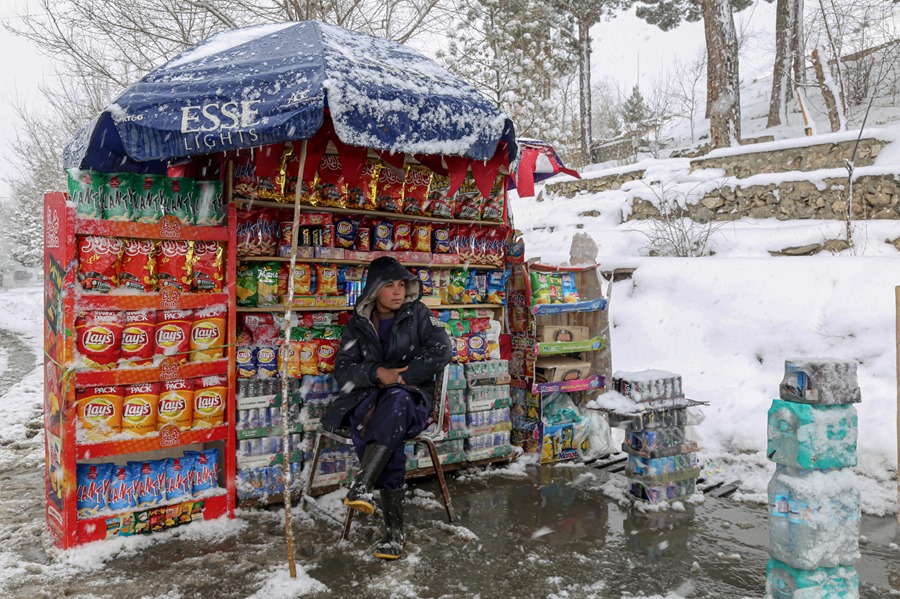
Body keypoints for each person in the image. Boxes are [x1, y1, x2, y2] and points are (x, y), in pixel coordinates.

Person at [321, 256, 452, 560]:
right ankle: (393, 531)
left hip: (411, 398)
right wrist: (377, 374)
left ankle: (364, 483)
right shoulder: (358, 325)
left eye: (402, 284)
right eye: (390, 285)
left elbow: (442, 350)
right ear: (373, 290)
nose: (398, 291)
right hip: (366, 400)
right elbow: (343, 372)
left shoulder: (418, 314)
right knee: (388, 421)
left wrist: (402, 377)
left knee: (397, 402)